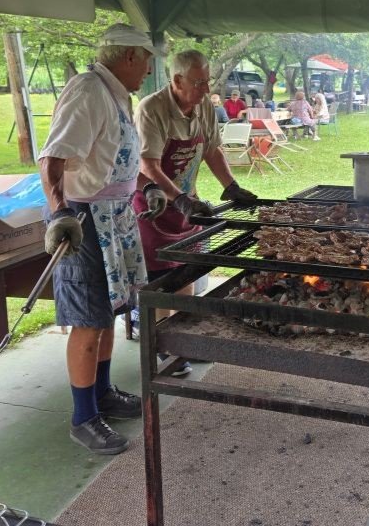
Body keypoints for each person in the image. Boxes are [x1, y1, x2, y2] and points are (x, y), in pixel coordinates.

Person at [38, 23, 166, 456]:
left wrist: (144, 187)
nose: (149, 71)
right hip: (84, 218)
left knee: (111, 309)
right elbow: (52, 158)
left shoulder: (115, 93)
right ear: (130, 56)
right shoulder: (88, 90)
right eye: (147, 61)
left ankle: (104, 393)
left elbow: (120, 155)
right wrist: (59, 214)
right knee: (88, 317)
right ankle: (83, 417)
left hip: (116, 214)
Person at [133, 50, 258, 369]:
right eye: (198, 82)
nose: (206, 89)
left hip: (187, 201)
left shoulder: (203, 107)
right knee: (162, 276)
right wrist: (179, 199)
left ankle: (184, 338)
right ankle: (163, 343)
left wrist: (229, 186)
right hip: (155, 204)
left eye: (207, 81)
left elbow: (212, 150)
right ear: (177, 80)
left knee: (187, 267)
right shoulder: (152, 109)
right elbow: (147, 164)